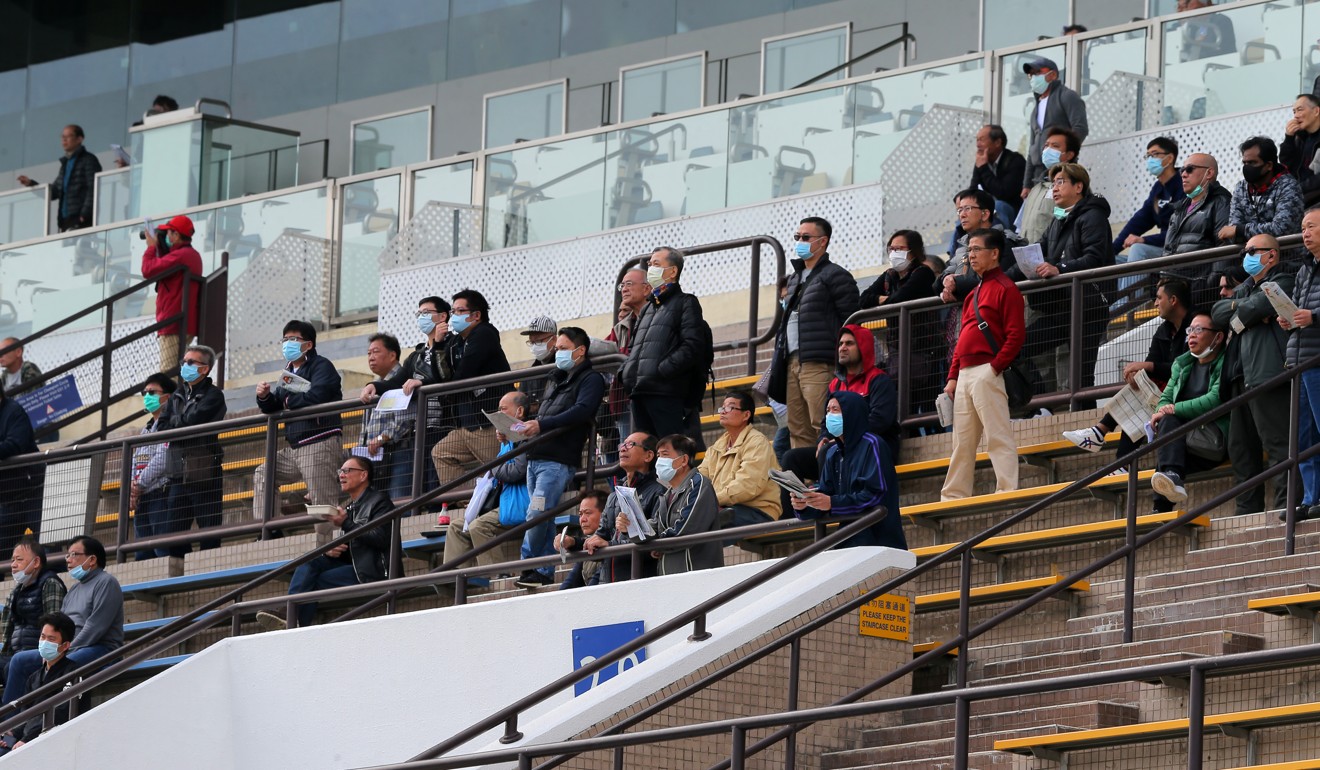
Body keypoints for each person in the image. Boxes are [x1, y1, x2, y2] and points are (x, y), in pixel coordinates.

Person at [1063, 277, 1194, 468]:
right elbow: (1151, 362)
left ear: (1173, 300)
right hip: (1167, 392)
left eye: (1159, 298)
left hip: (1191, 391)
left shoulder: (1196, 325)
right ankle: (1115, 456)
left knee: (1142, 400)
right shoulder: (1163, 330)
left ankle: (1103, 437)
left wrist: (1147, 368)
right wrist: (1137, 375)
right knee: (1140, 395)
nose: (1155, 303)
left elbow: (1186, 366)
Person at [513, 326, 606, 588]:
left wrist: (542, 426)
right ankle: (541, 570)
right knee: (543, 516)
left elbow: (582, 411)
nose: (558, 353)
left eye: (563, 349)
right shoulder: (555, 378)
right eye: (558, 349)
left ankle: (528, 564)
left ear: (581, 351)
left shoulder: (590, 379)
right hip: (536, 456)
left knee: (537, 514)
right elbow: (544, 416)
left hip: (557, 460)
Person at [1010, 162, 1112, 397]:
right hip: (1063, 305)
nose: (1054, 188)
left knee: (1082, 375)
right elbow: (1037, 253)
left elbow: (1094, 259)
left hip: (1089, 305)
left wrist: (1060, 268)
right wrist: (999, 282)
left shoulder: (1093, 216)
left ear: (1079, 187)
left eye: (1061, 182)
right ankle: (1037, 404)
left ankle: (1083, 421)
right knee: (1017, 348)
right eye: (1053, 182)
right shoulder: (1057, 221)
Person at [257, 455, 393, 630]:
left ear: (363, 475)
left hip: (375, 571)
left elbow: (380, 539)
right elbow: (357, 546)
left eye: (347, 471)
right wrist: (334, 550)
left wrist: (345, 524)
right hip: (357, 566)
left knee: (313, 582)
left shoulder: (379, 501)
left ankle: (293, 619)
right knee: (311, 562)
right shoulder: (351, 507)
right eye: (340, 471)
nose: (341, 475)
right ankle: (293, 619)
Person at [1212, 235, 1295, 516]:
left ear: (1270, 255)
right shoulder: (1245, 289)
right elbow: (1217, 313)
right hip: (1240, 379)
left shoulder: (1284, 280)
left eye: (1251, 251)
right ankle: (1246, 515)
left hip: (1269, 375)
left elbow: (1262, 305)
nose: (1245, 256)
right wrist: (1243, 311)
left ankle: (1287, 508)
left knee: (1279, 445)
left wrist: (1245, 313)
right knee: (1241, 452)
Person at [941, 229, 1026, 501]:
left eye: (977, 249)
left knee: (997, 434)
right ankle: (953, 496)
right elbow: (961, 340)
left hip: (987, 370)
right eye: (970, 250)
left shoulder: (1006, 288)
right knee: (961, 442)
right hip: (966, 374)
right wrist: (953, 376)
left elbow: (1016, 336)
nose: (971, 255)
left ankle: (1007, 490)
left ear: (995, 254)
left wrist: (994, 368)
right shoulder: (973, 293)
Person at [771, 218, 860, 448]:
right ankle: (808, 482)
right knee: (797, 428)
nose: (800, 242)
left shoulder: (836, 275)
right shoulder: (793, 280)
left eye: (806, 237)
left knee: (821, 422)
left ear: (823, 242)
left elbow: (851, 320)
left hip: (819, 362)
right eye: (797, 237)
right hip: (791, 361)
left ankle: (830, 477)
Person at [2, 536, 123, 705]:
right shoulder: (74, 589)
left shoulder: (106, 583)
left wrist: (65, 650)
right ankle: (9, 724)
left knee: (64, 664)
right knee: (19, 660)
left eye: (74, 554)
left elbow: (95, 627)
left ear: (92, 559)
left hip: (100, 648)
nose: (69, 560)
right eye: (67, 556)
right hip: (68, 647)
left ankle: (40, 719)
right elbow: (60, 624)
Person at [253, 321, 343, 534]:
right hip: (295, 446)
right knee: (263, 473)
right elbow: (276, 404)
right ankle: (269, 531)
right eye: (285, 340)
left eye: (293, 339)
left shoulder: (322, 366)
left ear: (309, 345)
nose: (287, 344)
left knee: (322, 501)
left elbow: (316, 396)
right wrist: (264, 397)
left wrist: (286, 403)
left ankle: (329, 544)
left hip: (319, 441)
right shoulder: (287, 371)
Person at [789, 391, 907, 550]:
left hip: (880, 539)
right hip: (849, 537)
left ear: (852, 413)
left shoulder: (873, 445)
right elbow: (826, 492)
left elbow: (876, 494)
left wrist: (832, 503)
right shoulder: (832, 452)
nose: (830, 415)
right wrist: (805, 504)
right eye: (828, 410)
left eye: (835, 410)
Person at [363, 296, 453, 501]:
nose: (421, 317)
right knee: (411, 490)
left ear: (442, 316)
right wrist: (373, 386)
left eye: (426, 313)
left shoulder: (452, 345)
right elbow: (396, 382)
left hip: (441, 425)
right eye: (419, 313)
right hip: (418, 429)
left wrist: (423, 383)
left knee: (433, 484)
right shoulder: (417, 355)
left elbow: (448, 376)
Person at [621, 246, 710, 451]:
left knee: (670, 451)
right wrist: (626, 373)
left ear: (672, 271)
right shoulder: (649, 308)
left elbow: (692, 346)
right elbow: (634, 347)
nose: (651, 268)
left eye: (656, 264)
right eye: (650, 264)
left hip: (665, 392)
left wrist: (661, 371)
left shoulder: (686, 302)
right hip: (640, 391)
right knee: (646, 455)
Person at [430, 289, 510, 511]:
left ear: (476, 315)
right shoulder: (455, 342)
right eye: (453, 311)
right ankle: (475, 503)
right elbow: (442, 378)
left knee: (501, 468)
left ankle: (499, 506)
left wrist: (448, 389)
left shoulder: (485, 333)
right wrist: (437, 345)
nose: (454, 315)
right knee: (441, 453)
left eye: (460, 311)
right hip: (465, 424)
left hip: (488, 423)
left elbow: (463, 374)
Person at [441, 391, 529, 569]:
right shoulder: (507, 440)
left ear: (519, 412)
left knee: (478, 527)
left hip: (518, 502)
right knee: (456, 527)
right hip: (500, 501)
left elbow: (515, 472)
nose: (498, 415)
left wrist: (494, 465)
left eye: (503, 410)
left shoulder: (527, 436)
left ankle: (497, 576)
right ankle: (453, 582)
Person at [1149, 313, 1229, 511]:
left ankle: (1162, 504)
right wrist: (1163, 409)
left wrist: (1174, 409)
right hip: (1184, 444)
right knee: (1168, 457)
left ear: (1218, 337)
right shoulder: (1182, 365)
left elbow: (1215, 399)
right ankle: (1164, 502)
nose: (1192, 335)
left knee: (1169, 424)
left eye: (1199, 330)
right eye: (1190, 330)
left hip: (1212, 442)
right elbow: (1165, 399)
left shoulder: (1224, 362)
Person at [156, 345, 226, 556]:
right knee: (173, 534)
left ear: (204, 369)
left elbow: (193, 421)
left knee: (209, 530)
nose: (184, 366)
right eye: (183, 362)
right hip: (177, 473)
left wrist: (176, 424)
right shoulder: (177, 395)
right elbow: (161, 427)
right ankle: (180, 572)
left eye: (190, 362)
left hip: (203, 470)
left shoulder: (214, 395)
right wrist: (180, 424)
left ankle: (207, 571)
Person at [1112, 137, 1186, 307]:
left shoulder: (1183, 184)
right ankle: (1111, 306)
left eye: (1155, 154)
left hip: (1176, 250)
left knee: (1138, 249)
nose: (1150, 160)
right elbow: (1139, 221)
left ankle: (1126, 308)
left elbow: (1181, 230)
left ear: (1170, 158)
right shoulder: (1158, 189)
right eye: (1148, 156)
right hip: (1160, 249)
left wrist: (1144, 240)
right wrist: (1111, 251)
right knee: (1113, 261)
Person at [588, 432, 665, 583]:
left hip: (640, 583)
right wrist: (574, 543)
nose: (623, 449)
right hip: (607, 583)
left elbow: (655, 546)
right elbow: (601, 536)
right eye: (622, 445)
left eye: (630, 445)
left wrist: (610, 545)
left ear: (648, 456)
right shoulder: (614, 496)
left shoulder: (658, 492)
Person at [698, 390, 781, 532]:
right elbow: (699, 479)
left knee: (705, 526)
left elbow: (747, 486)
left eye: (729, 407)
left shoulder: (757, 442)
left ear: (746, 415)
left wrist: (711, 501)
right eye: (722, 407)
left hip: (757, 511)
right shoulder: (716, 447)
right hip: (725, 507)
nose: (723, 411)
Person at [0, 612, 81, 756]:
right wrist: (11, 734)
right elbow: (25, 715)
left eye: (51, 639)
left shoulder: (73, 673)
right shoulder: (34, 677)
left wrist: (27, 739)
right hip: (26, 741)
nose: (44, 643)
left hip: (47, 742)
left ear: (65, 645)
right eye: (42, 637)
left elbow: (62, 712)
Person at [1284, 205, 1320, 521]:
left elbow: (1313, 314)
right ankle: (1311, 498)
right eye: (1303, 227)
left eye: (1310, 226)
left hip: (1318, 359)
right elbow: (1300, 310)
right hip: (1300, 360)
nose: (1304, 232)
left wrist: (1314, 317)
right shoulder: (1304, 269)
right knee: (1304, 437)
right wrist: (1291, 319)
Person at [1163, 152, 1233, 306]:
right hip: (1176, 291)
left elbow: (1224, 248)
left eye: (1189, 169)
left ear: (1209, 173)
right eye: (1182, 170)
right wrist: (1164, 284)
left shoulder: (1221, 202)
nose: (1183, 174)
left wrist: (1207, 287)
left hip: (1201, 292)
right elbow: (1168, 250)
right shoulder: (1180, 208)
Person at [647, 434, 722, 575]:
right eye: (658, 456)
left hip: (696, 575)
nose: (659, 461)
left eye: (665, 455)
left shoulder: (699, 485)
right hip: (669, 576)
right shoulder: (667, 494)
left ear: (684, 460)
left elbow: (685, 530)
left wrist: (658, 544)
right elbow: (654, 527)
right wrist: (630, 526)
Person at [1020, 57, 1088, 206]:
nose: (1033, 78)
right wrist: (1026, 184)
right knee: (1037, 219)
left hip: (1061, 172)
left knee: (1058, 212)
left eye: (1037, 73)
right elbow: (1031, 149)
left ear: (1053, 75)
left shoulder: (1067, 96)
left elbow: (1080, 128)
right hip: (1038, 177)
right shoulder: (1035, 109)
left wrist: (1065, 155)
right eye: (1030, 75)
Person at [140, 214, 203, 373]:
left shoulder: (180, 256)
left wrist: (151, 247)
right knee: (180, 371)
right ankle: (178, 397)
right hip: (185, 322)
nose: (166, 236)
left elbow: (148, 269)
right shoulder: (191, 255)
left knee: (168, 373)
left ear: (176, 235)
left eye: (169, 232)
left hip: (173, 323)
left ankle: (171, 399)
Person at [1220, 137, 1304, 248]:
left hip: (1286, 259)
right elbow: (1232, 232)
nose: (1247, 167)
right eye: (1244, 163)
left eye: (1252, 163)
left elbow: (1282, 228)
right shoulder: (1241, 188)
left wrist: (1241, 230)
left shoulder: (1288, 186)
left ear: (1269, 165)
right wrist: (1238, 231)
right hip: (1252, 259)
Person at [0, 541, 67, 680]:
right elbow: (8, 631)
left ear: (36, 562)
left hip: (39, 653)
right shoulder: (15, 592)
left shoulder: (50, 584)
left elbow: (55, 623)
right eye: (12, 560)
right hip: (15, 653)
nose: (13, 565)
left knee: (14, 664)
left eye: (19, 560)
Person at [358, 333, 413, 501]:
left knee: (398, 501)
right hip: (375, 455)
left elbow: (406, 419)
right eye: (368, 353)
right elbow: (366, 428)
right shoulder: (374, 385)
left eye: (375, 352)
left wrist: (382, 438)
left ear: (392, 355)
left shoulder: (402, 381)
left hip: (399, 450)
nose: (371, 357)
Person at [16, 124, 102, 231]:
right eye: (62, 136)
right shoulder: (65, 165)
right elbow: (54, 192)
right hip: (65, 221)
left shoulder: (88, 160)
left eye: (68, 136)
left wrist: (85, 215)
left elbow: (94, 188)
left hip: (81, 219)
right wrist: (30, 183)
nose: (64, 139)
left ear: (79, 139)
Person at [128, 373, 177, 559]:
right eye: (145, 393)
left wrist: (138, 485)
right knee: (142, 553)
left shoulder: (170, 423)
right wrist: (133, 488)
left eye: (152, 392)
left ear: (168, 396)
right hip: (142, 496)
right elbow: (135, 461)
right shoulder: (146, 429)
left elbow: (162, 459)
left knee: (161, 549)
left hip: (159, 493)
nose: (147, 396)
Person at [607, 268, 650, 442]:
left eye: (629, 284)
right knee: (629, 450)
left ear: (647, 288)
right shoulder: (620, 328)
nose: (624, 289)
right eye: (622, 285)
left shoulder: (660, 316)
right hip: (624, 398)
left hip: (650, 393)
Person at [1019, 126, 1082, 244]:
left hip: (1051, 257)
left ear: (1069, 155)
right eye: (1046, 145)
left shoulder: (1074, 186)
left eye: (1055, 146)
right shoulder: (1037, 188)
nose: (1048, 149)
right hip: (1029, 254)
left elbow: (1070, 218)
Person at [0, 383, 42, 557]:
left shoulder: (14, 411)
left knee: (47, 549)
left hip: (33, 494)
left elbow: (14, 445)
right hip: (6, 500)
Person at [969, 124, 1027, 225]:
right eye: (977, 140)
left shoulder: (1015, 160)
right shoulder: (981, 161)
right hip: (987, 209)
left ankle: (996, 239)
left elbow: (1003, 193)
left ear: (997, 142)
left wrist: (983, 168)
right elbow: (973, 189)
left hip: (1013, 213)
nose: (978, 144)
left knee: (998, 206)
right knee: (967, 209)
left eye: (982, 140)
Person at [553, 490, 608, 591]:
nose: (582, 519)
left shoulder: (613, 543)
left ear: (605, 514)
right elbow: (566, 588)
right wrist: (570, 542)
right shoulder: (587, 545)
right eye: (580, 514)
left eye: (587, 513)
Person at [1281, 93, 1320, 206]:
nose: (1296, 116)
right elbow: (1286, 166)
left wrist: (1298, 188)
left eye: (1300, 110)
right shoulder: (1300, 137)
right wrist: (1289, 138)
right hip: (1300, 197)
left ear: (1316, 111)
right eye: (1294, 112)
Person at [517, 315, 558, 410]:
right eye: (532, 342)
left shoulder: (564, 366)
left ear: (554, 340)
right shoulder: (529, 374)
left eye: (539, 341)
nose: (535, 346)